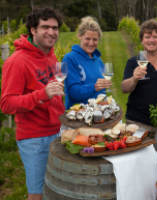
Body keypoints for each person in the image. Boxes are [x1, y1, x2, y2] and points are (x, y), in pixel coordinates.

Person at [0, 7, 64, 200]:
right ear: (33, 30)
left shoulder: (50, 55)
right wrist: (41, 95)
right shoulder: (17, 62)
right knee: (37, 193)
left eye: (55, 27)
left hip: (57, 130)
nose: (51, 32)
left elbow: (52, 87)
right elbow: (6, 104)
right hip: (35, 138)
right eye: (45, 27)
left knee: (56, 188)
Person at [121, 19, 157, 127]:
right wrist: (134, 78)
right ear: (142, 41)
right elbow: (124, 88)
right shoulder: (133, 62)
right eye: (147, 37)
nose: (151, 40)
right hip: (136, 122)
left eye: (155, 37)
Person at [63, 16, 111, 109]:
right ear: (80, 36)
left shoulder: (98, 61)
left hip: (98, 113)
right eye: (87, 39)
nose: (91, 43)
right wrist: (94, 87)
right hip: (78, 117)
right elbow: (73, 92)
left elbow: (101, 91)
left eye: (95, 39)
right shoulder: (70, 59)